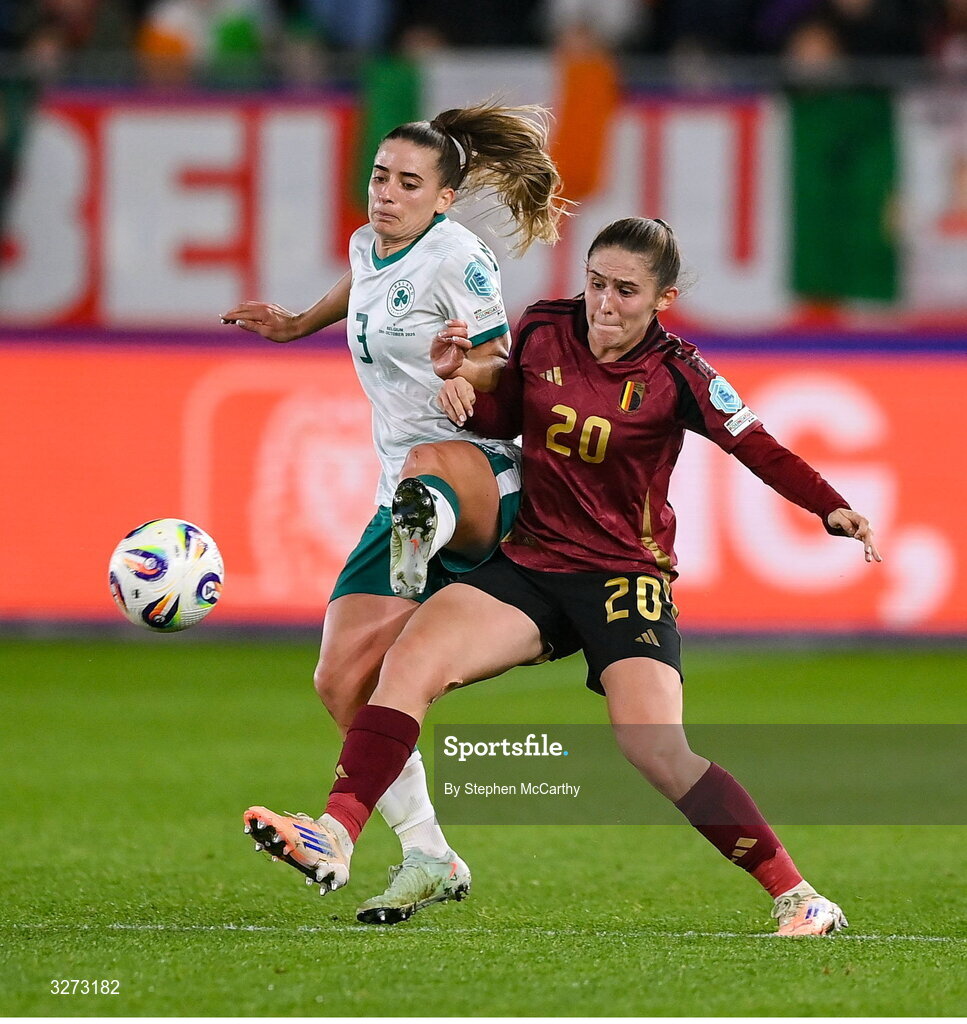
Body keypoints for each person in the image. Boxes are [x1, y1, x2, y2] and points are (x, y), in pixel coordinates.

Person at [246, 217, 882, 935]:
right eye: (596, 283)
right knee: (407, 662)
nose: (605, 304)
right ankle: (335, 833)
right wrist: (463, 380)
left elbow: (759, 448)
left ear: (661, 299)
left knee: (654, 747)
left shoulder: (678, 374)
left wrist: (831, 508)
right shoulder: (547, 327)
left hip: (621, 578)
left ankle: (796, 894)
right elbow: (505, 414)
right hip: (533, 562)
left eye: (625, 292)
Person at [225, 102, 565, 924]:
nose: (385, 193)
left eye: (408, 184)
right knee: (342, 683)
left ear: (443, 198)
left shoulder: (461, 256)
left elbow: (499, 360)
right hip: (401, 496)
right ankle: (428, 852)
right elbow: (370, 283)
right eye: (380, 176)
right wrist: (299, 322)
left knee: (425, 466)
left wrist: (470, 377)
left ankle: (426, 544)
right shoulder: (367, 241)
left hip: (479, 475)